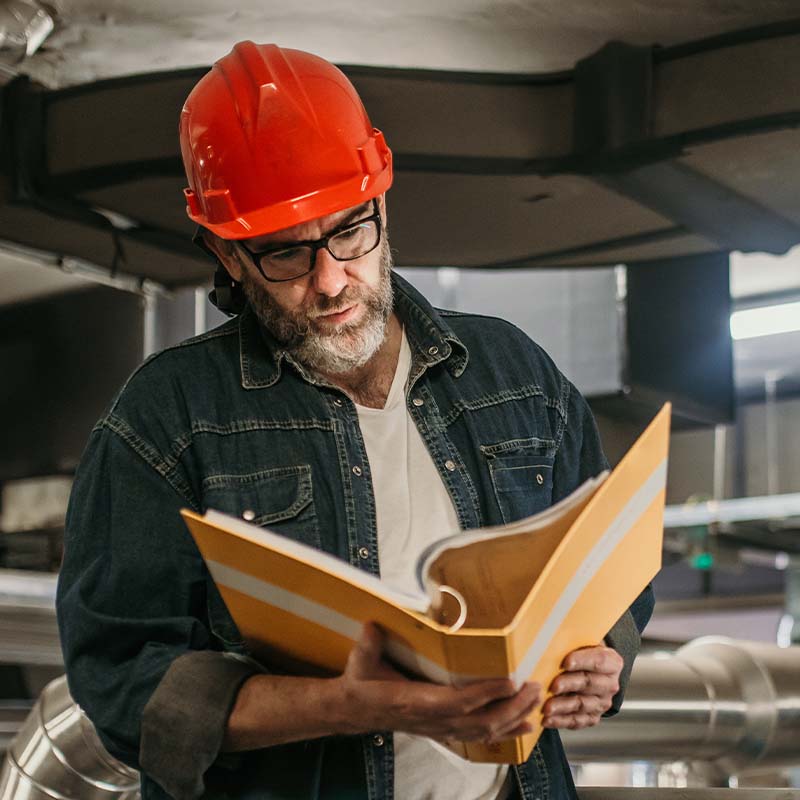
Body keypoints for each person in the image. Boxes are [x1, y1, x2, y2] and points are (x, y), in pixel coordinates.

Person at [57, 41, 654, 800]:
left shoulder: (514, 373)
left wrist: (604, 657)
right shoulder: (166, 420)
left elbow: (611, 566)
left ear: (382, 197)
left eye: (350, 229)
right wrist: (340, 707)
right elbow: (123, 683)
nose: (333, 277)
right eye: (285, 254)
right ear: (226, 253)